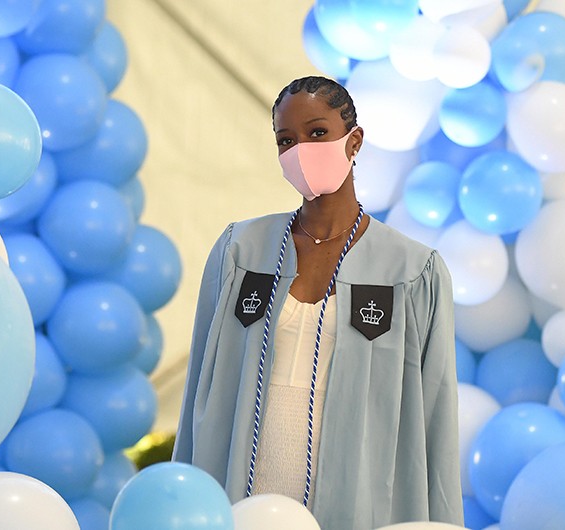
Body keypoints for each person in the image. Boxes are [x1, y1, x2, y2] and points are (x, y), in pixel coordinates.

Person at [173, 76, 463, 529]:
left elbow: (436, 419)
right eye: (286, 140)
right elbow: (199, 393)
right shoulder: (241, 251)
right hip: (245, 496)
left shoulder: (411, 270)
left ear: (354, 141)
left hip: (352, 502)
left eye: (317, 133)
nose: (301, 151)